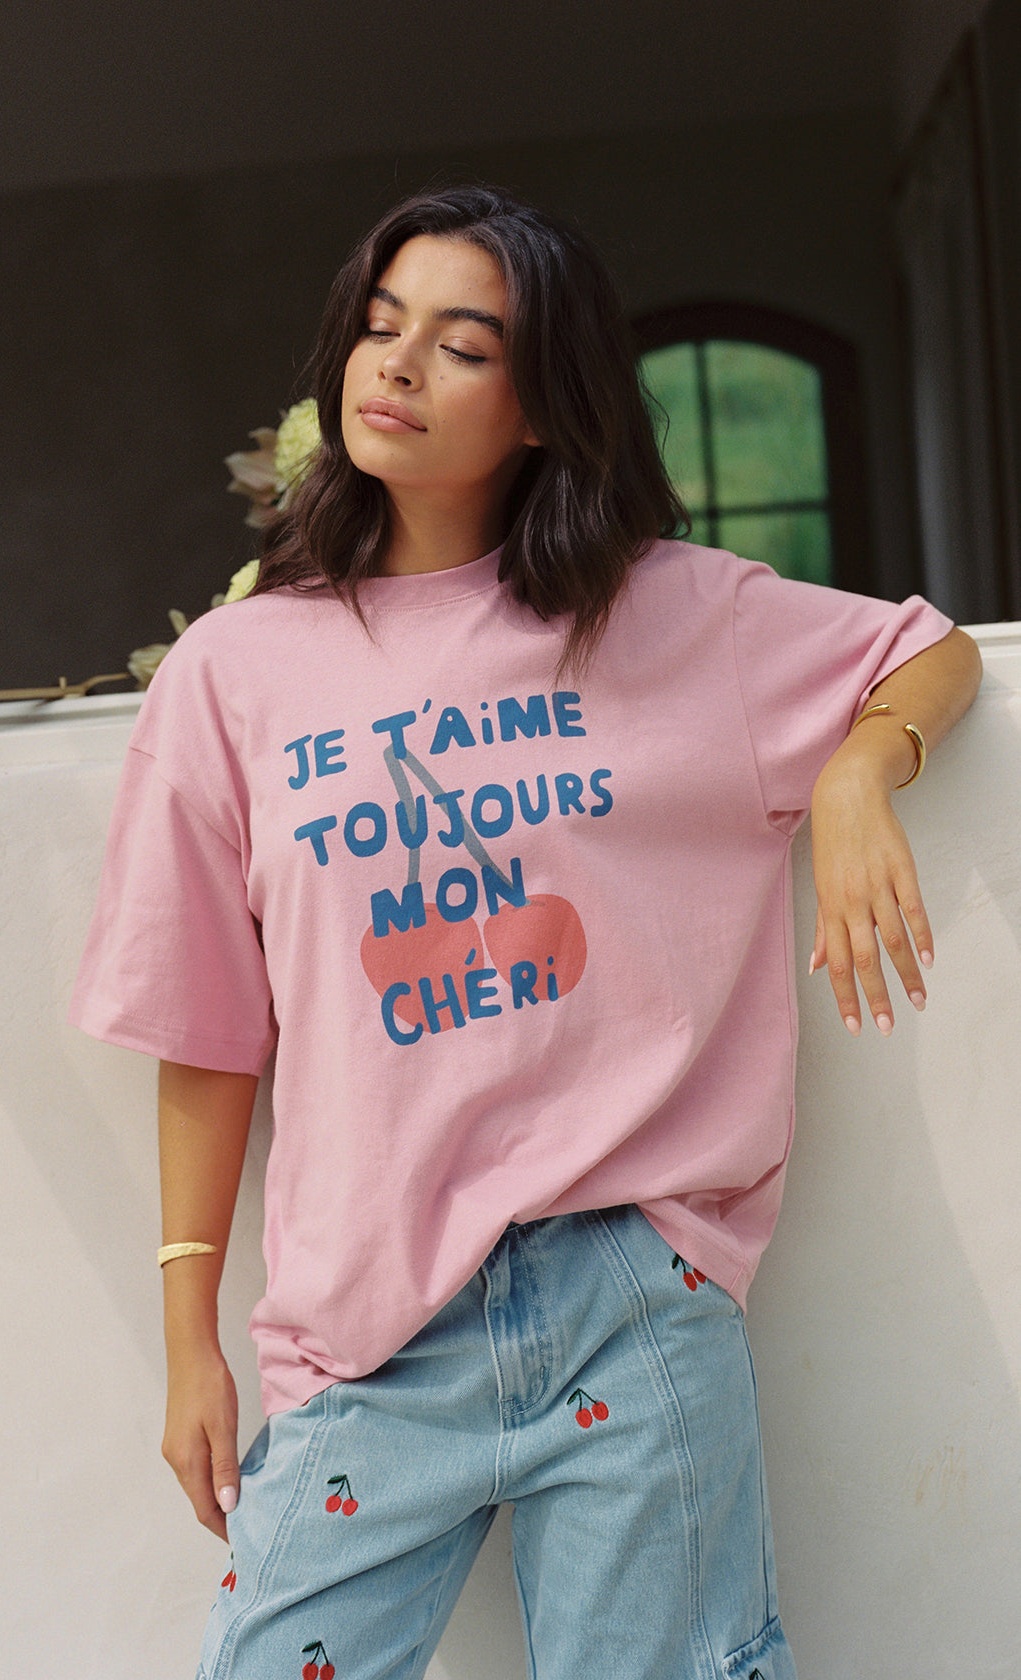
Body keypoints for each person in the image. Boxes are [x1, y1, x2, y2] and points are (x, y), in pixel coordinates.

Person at [70, 185, 982, 1680]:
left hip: (632, 1297)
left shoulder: (671, 617)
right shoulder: (236, 676)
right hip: (371, 1328)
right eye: (379, 327)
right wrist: (189, 1342)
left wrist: (857, 772)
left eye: (461, 344)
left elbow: (925, 649)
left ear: (548, 402)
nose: (398, 365)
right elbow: (206, 1032)